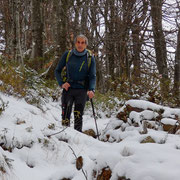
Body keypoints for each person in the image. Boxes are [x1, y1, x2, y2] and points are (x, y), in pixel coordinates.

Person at [55, 34, 96, 132]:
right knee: (65, 116)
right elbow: (57, 70)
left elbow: (92, 76)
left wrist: (91, 89)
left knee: (78, 116)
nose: (80, 45)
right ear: (75, 43)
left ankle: (77, 139)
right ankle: (64, 136)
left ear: (86, 45)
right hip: (68, 89)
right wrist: (62, 83)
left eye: (82, 43)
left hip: (82, 90)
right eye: (78, 42)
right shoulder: (68, 55)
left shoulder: (89, 57)